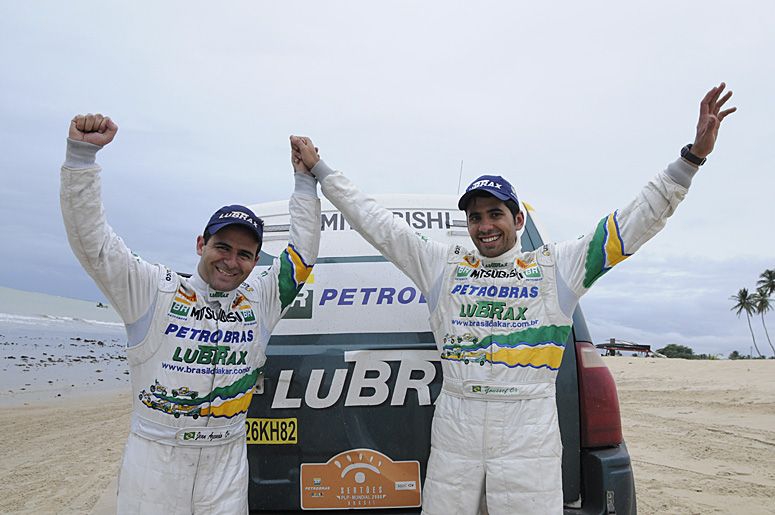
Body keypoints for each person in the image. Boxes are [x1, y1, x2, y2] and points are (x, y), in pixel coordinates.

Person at [290, 83, 736, 515]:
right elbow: (377, 223)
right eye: (476, 217)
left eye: (495, 214)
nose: (485, 225)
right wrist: (323, 171)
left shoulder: (556, 267)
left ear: (518, 218)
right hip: (456, 429)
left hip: (528, 436)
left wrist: (690, 160)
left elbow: (631, 224)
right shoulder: (443, 266)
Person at [61, 113, 321, 514]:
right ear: (201, 244)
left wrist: (305, 182)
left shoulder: (261, 300)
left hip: (226, 462)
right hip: (155, 462)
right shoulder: (153, 290)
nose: (232, 262)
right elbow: (94, 244)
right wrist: (81, 159)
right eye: (223, 247)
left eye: (245, 254)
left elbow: (301, 256)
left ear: (255, 260)